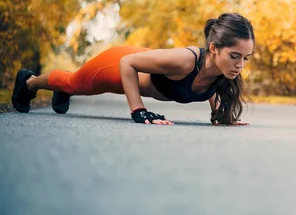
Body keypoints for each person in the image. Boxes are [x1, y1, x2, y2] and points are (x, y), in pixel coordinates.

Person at [11, 13, 255, 125]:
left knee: (73, 86)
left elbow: (209, 88)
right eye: (235, 56)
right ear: (213, 48)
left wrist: (220, 116)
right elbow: (128, 63)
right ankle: (29, 82)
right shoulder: (185, 60)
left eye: (246, 58)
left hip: (138, 65)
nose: (240, 65)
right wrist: (138, 111)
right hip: (119, 64)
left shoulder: (219, 73)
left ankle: (63, 91)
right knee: (73, 82)